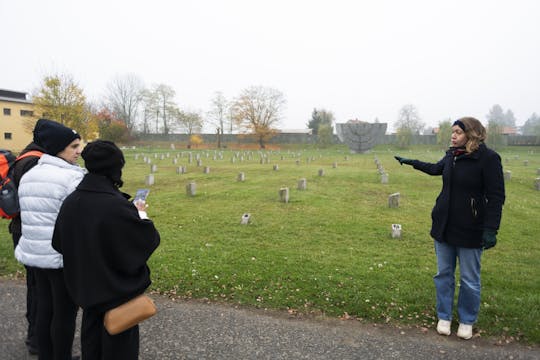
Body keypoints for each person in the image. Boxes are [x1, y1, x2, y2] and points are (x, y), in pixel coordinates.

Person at [394, 117, 505, 340]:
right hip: (444, 226)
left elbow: (496, 196)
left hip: (471, 228)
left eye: (458, 132)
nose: (453, 135)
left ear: (472, 134)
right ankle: (443, 316)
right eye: (452, 132)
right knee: (443, 274)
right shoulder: (452, 155)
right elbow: (436, 169)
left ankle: (466, 320)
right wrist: (411, 161)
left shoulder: (488, 159)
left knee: (469, 279)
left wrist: (491, 228)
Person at [52, 140, 160, 360]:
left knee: (91, 347)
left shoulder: (72, 201)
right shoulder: (116, 206)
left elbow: (58, 243)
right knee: (119, 351)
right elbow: (147, 239)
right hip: (116, 297)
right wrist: (139, 215)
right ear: (115, 168)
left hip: (86, 293)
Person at [14, 118, 86, 359]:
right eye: (74, 146)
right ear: (58, 148)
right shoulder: (70, 178)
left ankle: (46, 355)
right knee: (64, 313)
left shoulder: (31, 175)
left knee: (44, 308)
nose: (79, 151)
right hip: (59, 257)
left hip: (35, 254)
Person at [8, 139, 46, 355]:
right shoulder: (33, 163)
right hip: (30, 232)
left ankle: (36, 337)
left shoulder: (24, 158)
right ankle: (37, 339)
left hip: (22, 230)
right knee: (40, 289)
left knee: (36, 287)